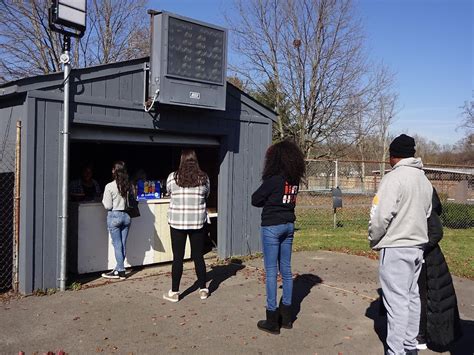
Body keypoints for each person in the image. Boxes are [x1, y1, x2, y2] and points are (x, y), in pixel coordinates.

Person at [369, 134, 433, 355]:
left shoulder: (393, 178)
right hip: (417, 246)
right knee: (411, 297)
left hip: (396, 246)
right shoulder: (424, 180)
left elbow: (380, 216)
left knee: (396, 303)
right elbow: (427, 212)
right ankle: (409, 345)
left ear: (393, 156)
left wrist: (374, 238)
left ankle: (396, 351)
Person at [251, 140, 305, 335]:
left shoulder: (273, 180)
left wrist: (269, 199)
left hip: (272, 227)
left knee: (272, 272)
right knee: (287, 270)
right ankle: (287, 317)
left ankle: (272, 318)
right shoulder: (294, 180)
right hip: (289, 226)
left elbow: (255, 199)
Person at [416, 188, 462, 351]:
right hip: (428, 256)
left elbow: (436, 232)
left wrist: (419, 248)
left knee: (424, 296)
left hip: (427, 258)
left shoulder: (426, 208)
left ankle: (421, 335)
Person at [163, 149, 210, 302]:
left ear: (181, 160)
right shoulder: (204, 178)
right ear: (195, 160)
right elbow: (206, 195)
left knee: (178, 257)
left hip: (177, 223)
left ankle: (175, 292)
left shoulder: (173, 177)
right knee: (198, 256)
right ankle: (203, 289)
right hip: (197, 222)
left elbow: (169, 192)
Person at [101, 161, 132, 280]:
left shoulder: (109, 186)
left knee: (117, 245)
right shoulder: (128, 185)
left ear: (115, 171)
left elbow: (108, 206)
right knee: (123, 244)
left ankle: (121, 271)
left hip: (114, 216)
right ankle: (118, 269)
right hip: (126, 216)